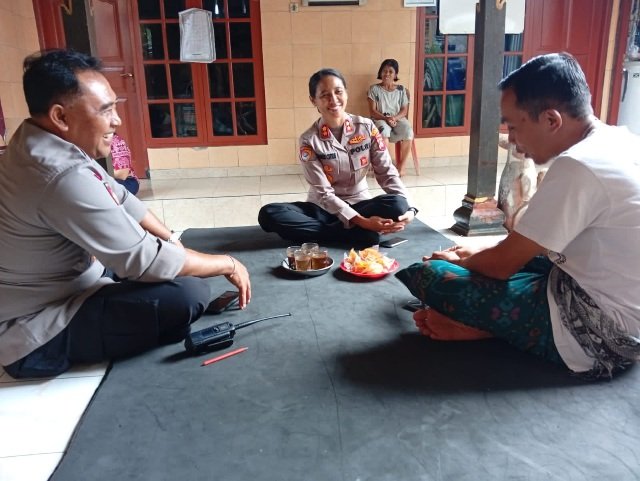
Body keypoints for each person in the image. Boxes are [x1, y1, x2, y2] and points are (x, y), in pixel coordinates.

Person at [0, 50, 251, 379]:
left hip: (74, 280)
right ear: (60, 116)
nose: (116, 121)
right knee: (188, 294)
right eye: (105, 110)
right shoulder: (59, 173)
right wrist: (227, 263)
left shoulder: (39, 140)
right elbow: (144, 261)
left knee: (176, 266)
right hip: (35, 327)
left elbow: (123, 199)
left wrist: (171, 240)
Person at [396, 53, 640, 379]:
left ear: (551, 120)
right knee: (491, 258)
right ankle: (493, 325)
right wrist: (478, 252)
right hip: (617, 310)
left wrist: (461, 261)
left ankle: (485, 328)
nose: (511, 139)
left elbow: (501, 266)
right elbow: (540, 245)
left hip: (599, 335)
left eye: (513, 126)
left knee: (431, 274)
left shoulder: (578, 166)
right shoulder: (620, 140)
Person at [258, 68, 418, 247]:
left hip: (360, 204)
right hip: (322, 209)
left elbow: (387, 173)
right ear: (313, 100)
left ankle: (326, 234)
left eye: (338, 92)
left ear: (346, 93)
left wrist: (410, 209)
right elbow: (324, 193)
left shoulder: (367, 128)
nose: (333, 100)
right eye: (325, 95)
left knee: (398, 204)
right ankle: (352, 234)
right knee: (269, 214)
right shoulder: (309, 139)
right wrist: (363, 223)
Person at [367, 59, 414, 176]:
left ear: (395, 74)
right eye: (384, 71)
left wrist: (394, 118)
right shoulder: (374, 89)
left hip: (397, 119)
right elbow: (372, 111)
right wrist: (386, 119)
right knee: (383, 131)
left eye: (390, 71)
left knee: (408, 131)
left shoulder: (401, 90)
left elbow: (404, 111)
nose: (387, 74)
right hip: (380, 119)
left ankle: (401, 167)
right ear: (380, 72)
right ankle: (385, 167)